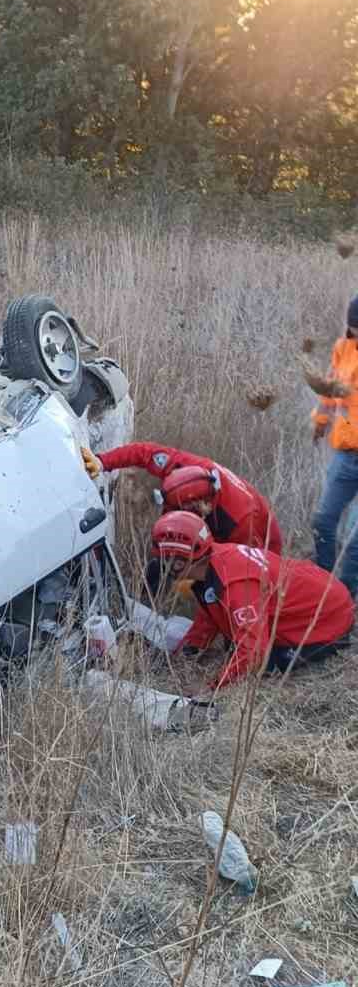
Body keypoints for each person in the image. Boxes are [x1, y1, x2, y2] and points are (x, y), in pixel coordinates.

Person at [149, 510, 354, 690]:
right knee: (234, 641)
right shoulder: (216, 558)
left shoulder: (235, 585)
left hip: (329, 619)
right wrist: (186, 652)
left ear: (179, 562)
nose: (163, 565)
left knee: (264, 662)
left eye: (166, 559)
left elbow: (252, 653)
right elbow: (210, 614)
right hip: (322, 591)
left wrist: (214, 686)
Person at [81, 440, 282, 553]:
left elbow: (237, 564)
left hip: (262, 544)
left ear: (200, 508)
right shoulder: (184, 467)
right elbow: (143, 452)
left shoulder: (239, 521)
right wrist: (102, 462)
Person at [311, 292, 358, 595]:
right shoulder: (343, 348)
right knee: (323, 521)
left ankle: (345, 598)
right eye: (354, 327)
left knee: (356, 541)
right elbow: (329, 390)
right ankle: (320, 586)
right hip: (346, 454)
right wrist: (320, 422)